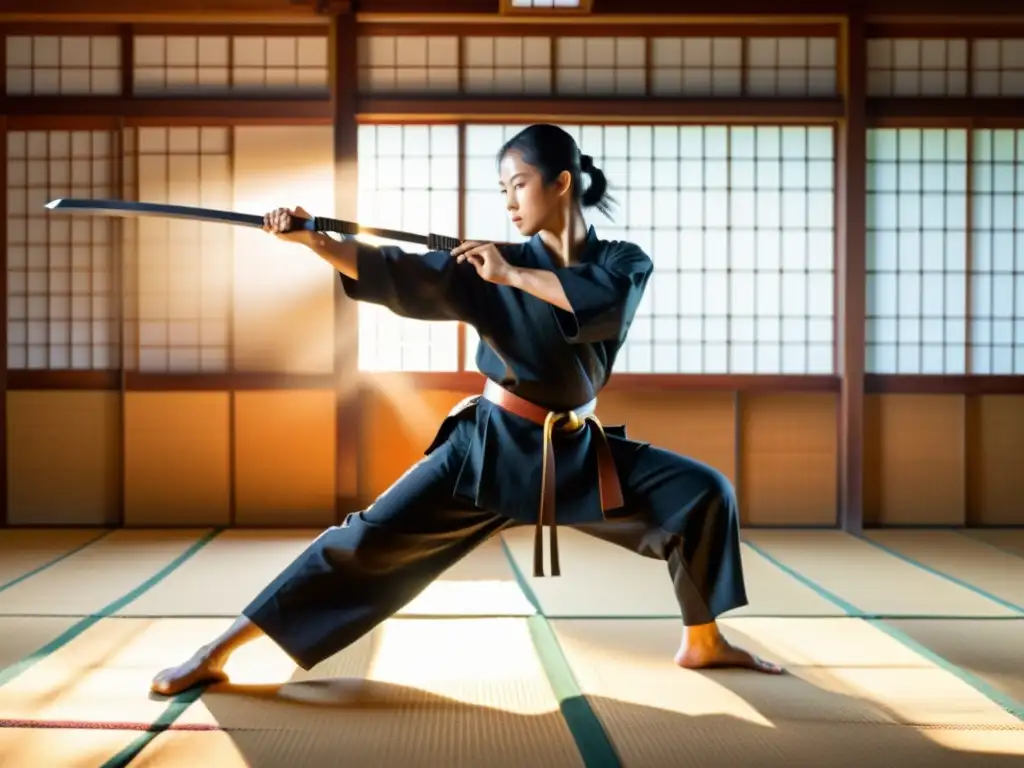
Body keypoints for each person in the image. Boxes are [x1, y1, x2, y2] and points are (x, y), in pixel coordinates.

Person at [150, 123, 781, 697]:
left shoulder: (619, 261)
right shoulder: (489, 266)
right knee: (361, 543)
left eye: (519, 184)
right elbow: (397, 270)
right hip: (488, 449)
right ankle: (218, 650)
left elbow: (604, 304)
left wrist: (509, 275)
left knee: (703, 493)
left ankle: (703, 642)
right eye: (503, 188)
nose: (508, 201)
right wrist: (316, 240)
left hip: (576, 453)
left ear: (562, 184)